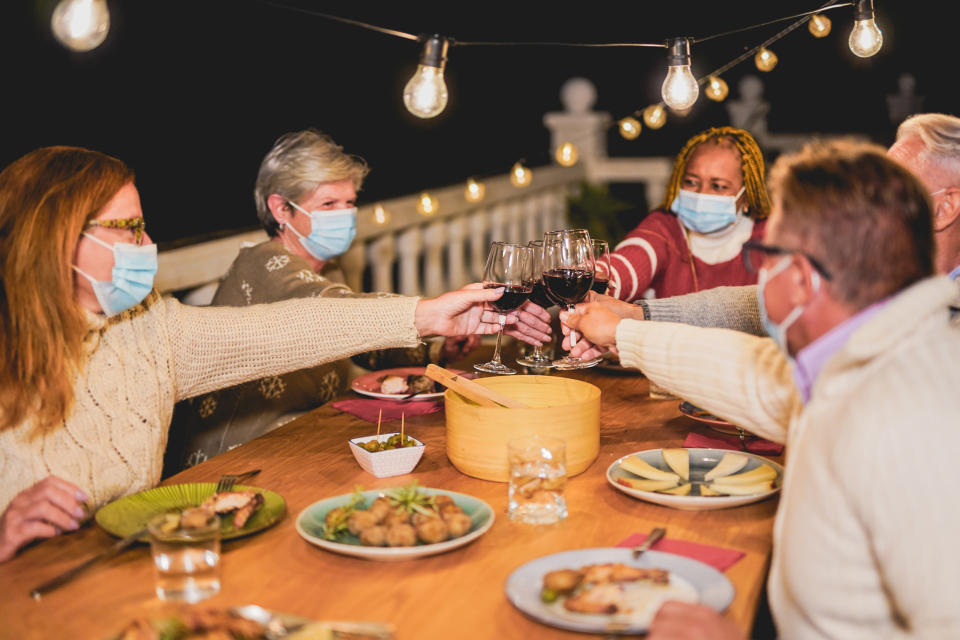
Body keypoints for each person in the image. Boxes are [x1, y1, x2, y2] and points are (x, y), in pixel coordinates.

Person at [0, 146, 551, 563]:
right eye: (130, 228)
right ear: (58, 236)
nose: (150, 246)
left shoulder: (146, 330)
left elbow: (277, 332)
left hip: (144, 566)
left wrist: (424, 314)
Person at [563, 140, 960, 638]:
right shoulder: (862, 359)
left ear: (802, 280)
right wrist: (622, 333)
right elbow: (750, 375)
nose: (755, 279)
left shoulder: (910, 418)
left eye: (765, 255)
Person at [165, 130, 481, 473]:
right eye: (329, 204)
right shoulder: (263, 263)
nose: (344, 215)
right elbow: (334, 308)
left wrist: (438, 351)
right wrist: (431, 311)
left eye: (349, 202)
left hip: (303, 434)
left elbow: (362, 340)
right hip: (237, 458)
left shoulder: (327, 268)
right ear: (281, 208)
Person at [599, 113, 960, 334]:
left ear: (946, 207)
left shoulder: (772, 234)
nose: (873, 203)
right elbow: (752, 307)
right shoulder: (880, 274)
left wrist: (632, 328)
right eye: (691, 182)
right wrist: (632, 310)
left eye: (893, 188)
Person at [608, 126, 770, 302]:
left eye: (718, 186)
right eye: (691, 182)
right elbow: (625, 265)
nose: (701, 194)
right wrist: (599, 281)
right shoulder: (664, 229)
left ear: (747, 196)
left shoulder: (770, 239)